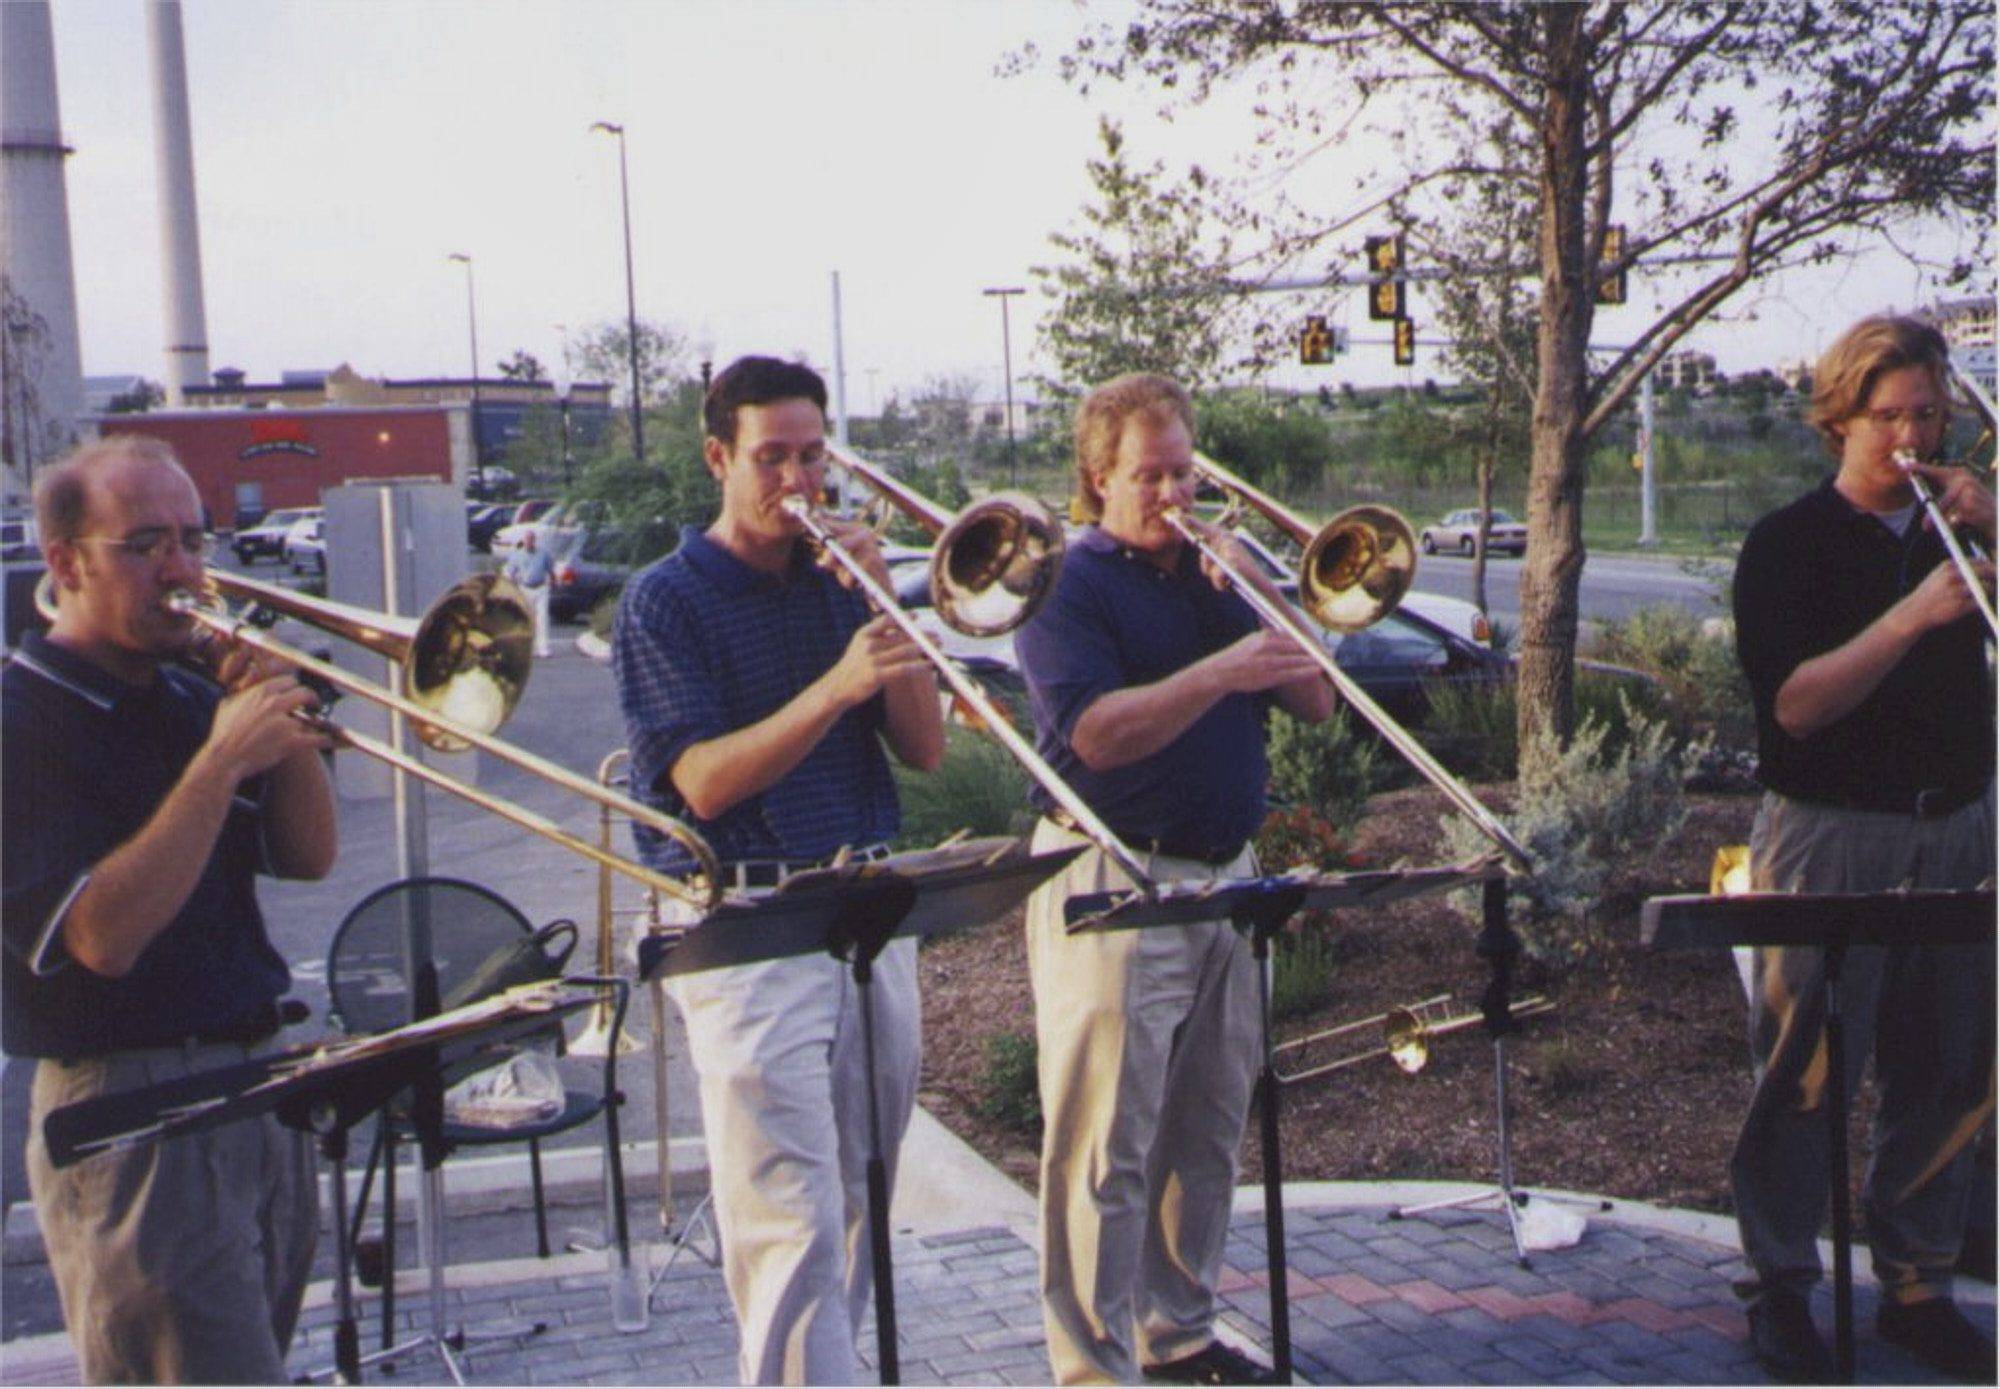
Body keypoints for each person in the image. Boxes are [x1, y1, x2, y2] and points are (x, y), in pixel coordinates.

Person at [611, 355, 943, 1384]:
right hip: (748, 927)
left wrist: (885, 609)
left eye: (812, 455)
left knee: (853, 1202)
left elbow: (924, 750)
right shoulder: (664, 600)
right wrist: (838, 686)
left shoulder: (842, 580)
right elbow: (703, 782)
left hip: (863, 914)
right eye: (772, 459)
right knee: (786, 1221)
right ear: (718, 458)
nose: (798, 481)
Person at [1014, 373, 1334, 1385]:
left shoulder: (1215, 578)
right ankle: (1089, 1366)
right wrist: (1222, 671)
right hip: (1110, 873)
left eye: (1183, 474)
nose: (1169, 498)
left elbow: (1323, 701)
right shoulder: (1060, 583)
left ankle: (1179, 1336)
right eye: (1146, 477)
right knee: (1104, 1145)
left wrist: (1262, 596)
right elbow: (1096, 736)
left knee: (1204, 1129)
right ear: (1095, 479)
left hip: (1224, 879)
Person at [3, 436, 338, 1383]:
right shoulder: (19, 721)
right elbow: (101, 937)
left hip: (251, 1088)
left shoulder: (187, 694)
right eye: (147, 543)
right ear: (66, 562)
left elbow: (307, 857)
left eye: (195, 539)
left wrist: (284, 719)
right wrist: (223, 760)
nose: (185, 569)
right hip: (134, 1106)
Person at [1729, 314, 1995, 1384]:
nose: (1907, 438)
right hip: (1830, 832)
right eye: (1884, 417)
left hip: (1960, 825)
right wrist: (1910, 619)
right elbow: (1794, 707)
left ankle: (1916, 1281)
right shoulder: (1787, 542)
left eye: (1926, 415)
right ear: (1838, 417)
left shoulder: (1963, 527)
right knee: (1802, 1070)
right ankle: (1780, 1286)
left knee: (1950, 1064)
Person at [505, 525, 554, 657]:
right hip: (525, 589)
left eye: (531, 539)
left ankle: (543, 648)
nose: (529, 542)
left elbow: (550, 570)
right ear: (523, 541)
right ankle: (530, 648)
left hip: (541, 588)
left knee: (542, 618)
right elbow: (511, 573)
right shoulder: (517, 555)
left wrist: (553, 584)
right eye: (527, 539)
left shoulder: (543, 554)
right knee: (528, 619)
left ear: (534, 540)